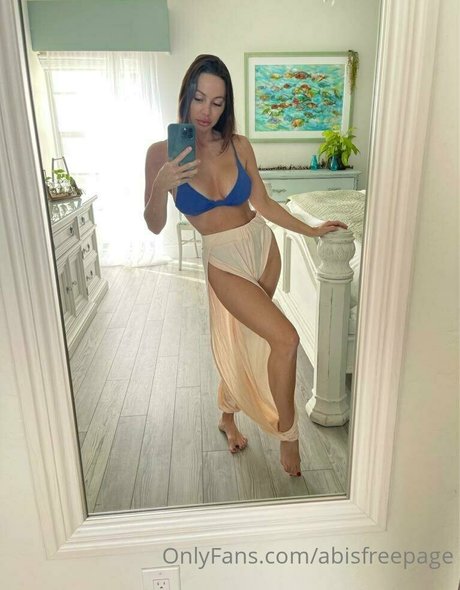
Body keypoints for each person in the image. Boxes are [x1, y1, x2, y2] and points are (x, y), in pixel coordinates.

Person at [144, 54, 347, 477]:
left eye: (218, 102)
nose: (207, 111)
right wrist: (161, 186)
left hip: (261, 246)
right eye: (199, 98)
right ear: (185, 95)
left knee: (248, 340)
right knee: (286, 339)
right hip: (224, 261)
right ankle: (288, 436)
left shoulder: (237, 145)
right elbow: (154, 224)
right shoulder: (161, 153)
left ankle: (227, 415)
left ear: (227, 105)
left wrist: (311, 230)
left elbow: (264, 203)